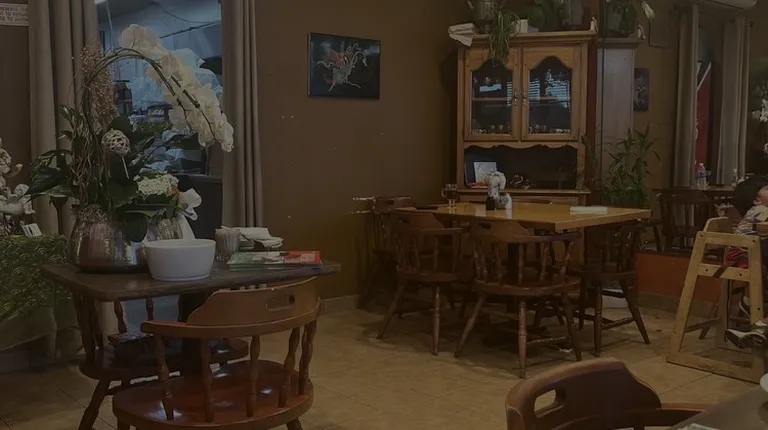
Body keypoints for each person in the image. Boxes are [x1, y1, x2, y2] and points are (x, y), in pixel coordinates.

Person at [724, 175, 768, 349]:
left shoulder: (759, 210)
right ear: (756, 200)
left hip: (749, 252)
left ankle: (758, 327)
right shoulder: (761, 210)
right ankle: (757, 320)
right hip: (742, 254)